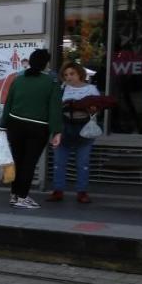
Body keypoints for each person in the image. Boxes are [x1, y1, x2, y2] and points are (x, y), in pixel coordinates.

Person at [0, 48, 63, 210]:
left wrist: (2, 126)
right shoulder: (52, 82)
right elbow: (54, 109)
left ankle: (14, 195)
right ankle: (22, 197)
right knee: (29, 162)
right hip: (38, 128)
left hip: (15, 125)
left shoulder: (18, 80)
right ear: (46, 64)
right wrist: (57, 131)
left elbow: (8, 104)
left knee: (18, 161)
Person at [50, 62, 101, 204]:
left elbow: (98, 108)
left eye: (72, 74)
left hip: (83, 127)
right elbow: (55, 108)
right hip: (64, 127)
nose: (69, 77)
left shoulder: (91, 89)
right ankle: (58, 190)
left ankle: (82, 192)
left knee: (83, 163)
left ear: (80, 74)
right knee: (59, 162)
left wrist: (89, 107)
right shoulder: (61, 88)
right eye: (65, 75)